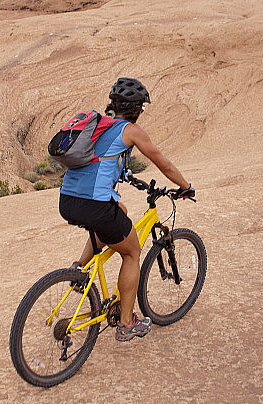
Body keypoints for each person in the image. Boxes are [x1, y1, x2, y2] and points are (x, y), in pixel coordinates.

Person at [58, 77, 194, 342]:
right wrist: (185, 186)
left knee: (118, 210)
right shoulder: (130, 130)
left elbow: (102, 163)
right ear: (137, 109)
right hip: (94, 204)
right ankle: (126, 323)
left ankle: (79, 270)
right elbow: (163, 164)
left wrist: (127, 176)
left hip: (68, 200)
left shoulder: (99, 127)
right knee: (131, 251)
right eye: (142, 108)